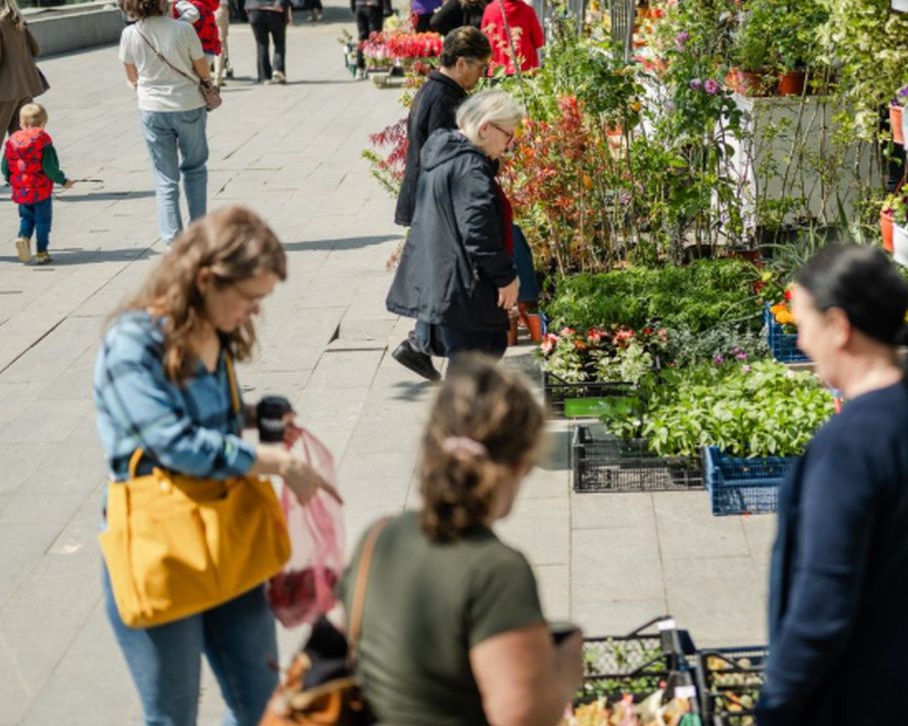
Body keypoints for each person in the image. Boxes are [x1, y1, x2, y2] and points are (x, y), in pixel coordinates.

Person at [95, 206, 340, 726]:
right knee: (173, 715)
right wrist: (268, 460)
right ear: (205, 278)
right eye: (251, 298)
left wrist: (256, 414)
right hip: (163, 549)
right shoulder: (133, 344)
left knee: (263, 706)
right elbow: (171, 442)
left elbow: (207, 419)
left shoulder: (215, 330)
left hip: (229, 537)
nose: (254, 312)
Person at [758, 243, 908, 726]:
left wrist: (774, 709)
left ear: (838, 326)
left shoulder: (852, 443)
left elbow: (822, 605)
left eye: (803, 324)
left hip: (864, 699)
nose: (803, 342)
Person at [342, 355, 582, 725]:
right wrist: (564, 672)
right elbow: (522, 715)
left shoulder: (380, 536)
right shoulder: (496, 571)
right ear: (517, 466)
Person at [389, 26, 493, 380]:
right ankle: (421, 344)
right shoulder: (443, 97)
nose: (482, 76)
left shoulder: (436, 89)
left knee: (437, 271)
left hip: (426, 194)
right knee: (439, 272)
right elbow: (443, 153)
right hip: (432, 197)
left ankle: (420, 343)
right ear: (461, 62)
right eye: (481, 67)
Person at [386, 90, 522, 359]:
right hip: (465, 289)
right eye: (508, 136)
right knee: (470, 379)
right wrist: (506, 278)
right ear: (485, 128)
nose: (509, 146)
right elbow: (478, 232)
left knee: (474, 372)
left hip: (452, 284)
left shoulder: (448, 155)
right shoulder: (469, 167)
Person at [118, 0, 213, 246]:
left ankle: (173, 238)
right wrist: (207, 84)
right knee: (195, 168)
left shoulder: (130, 33)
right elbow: (202, 67)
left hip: (151, 108)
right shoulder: (183, 29)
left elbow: (131, 75)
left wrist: (144, 87)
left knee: (164, 177)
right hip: (188, 104)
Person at [4, 103, 71, 265]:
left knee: (26, 218)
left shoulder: (13, 140)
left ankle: (23, 238)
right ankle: (42, 252)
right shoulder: (43, 140)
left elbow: (5, 165)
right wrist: (63, 180)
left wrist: (9, 179)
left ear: (21, 123)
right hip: (40, 190)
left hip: (21, 189)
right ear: (42, 124)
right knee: (43, 221)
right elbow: (50, 167)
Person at [0, 0, 47, 137]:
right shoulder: (18, 20)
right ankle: (24, 163)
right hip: (25, 87)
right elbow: (36, 49)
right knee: (22, 138)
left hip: (4, 90)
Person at [480, 0, 545, 76]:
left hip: (497, 71)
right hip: (525, 70)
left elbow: (483, 41)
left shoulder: (489, 10)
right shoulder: (527, 10)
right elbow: (539, 41)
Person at [243, 0, 292, 84]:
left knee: (261, 44)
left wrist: (246, 10)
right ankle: (278, 70)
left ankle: (264, 77)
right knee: (279, 42)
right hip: (275, 12)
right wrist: (287, 13)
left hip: (255, 12)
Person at [168, 0, 223, 68]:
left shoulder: (182, 1)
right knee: (202, 77)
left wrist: (175, 25)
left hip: (197, 48)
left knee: (193, 78)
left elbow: (193, 14)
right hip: (208, 46)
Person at [195, 0, 234, 86]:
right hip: (221, 10)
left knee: (204, 43)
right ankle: (218, 77)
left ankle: (206, 75)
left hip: (204, 11)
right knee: (221, 44)